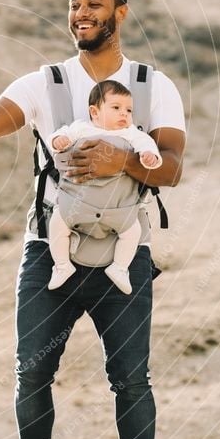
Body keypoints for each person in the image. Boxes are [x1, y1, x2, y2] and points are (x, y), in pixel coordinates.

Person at [0, 0, 186, 439]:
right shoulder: (45, 83)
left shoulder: (152, 85)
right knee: (31, 377)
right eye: (75, 4)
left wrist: (122, 160)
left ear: (121, 12)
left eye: (93, 4)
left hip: (124, 253)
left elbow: (173, 168)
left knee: (131, 381)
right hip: (47, 251)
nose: (81, 13)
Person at [47, 80, 162, 292]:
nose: (124, 115)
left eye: (129, 110)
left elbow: (147, 145)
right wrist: (59, 140)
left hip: (119, 209)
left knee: (132, 232)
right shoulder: (81, 128)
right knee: (56, 224)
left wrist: (149, 156)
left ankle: (119, 268)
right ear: (94, 111)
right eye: (116, 108)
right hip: (75, 204)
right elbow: (59, 137)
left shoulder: (131, 133)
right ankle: (62, 265)